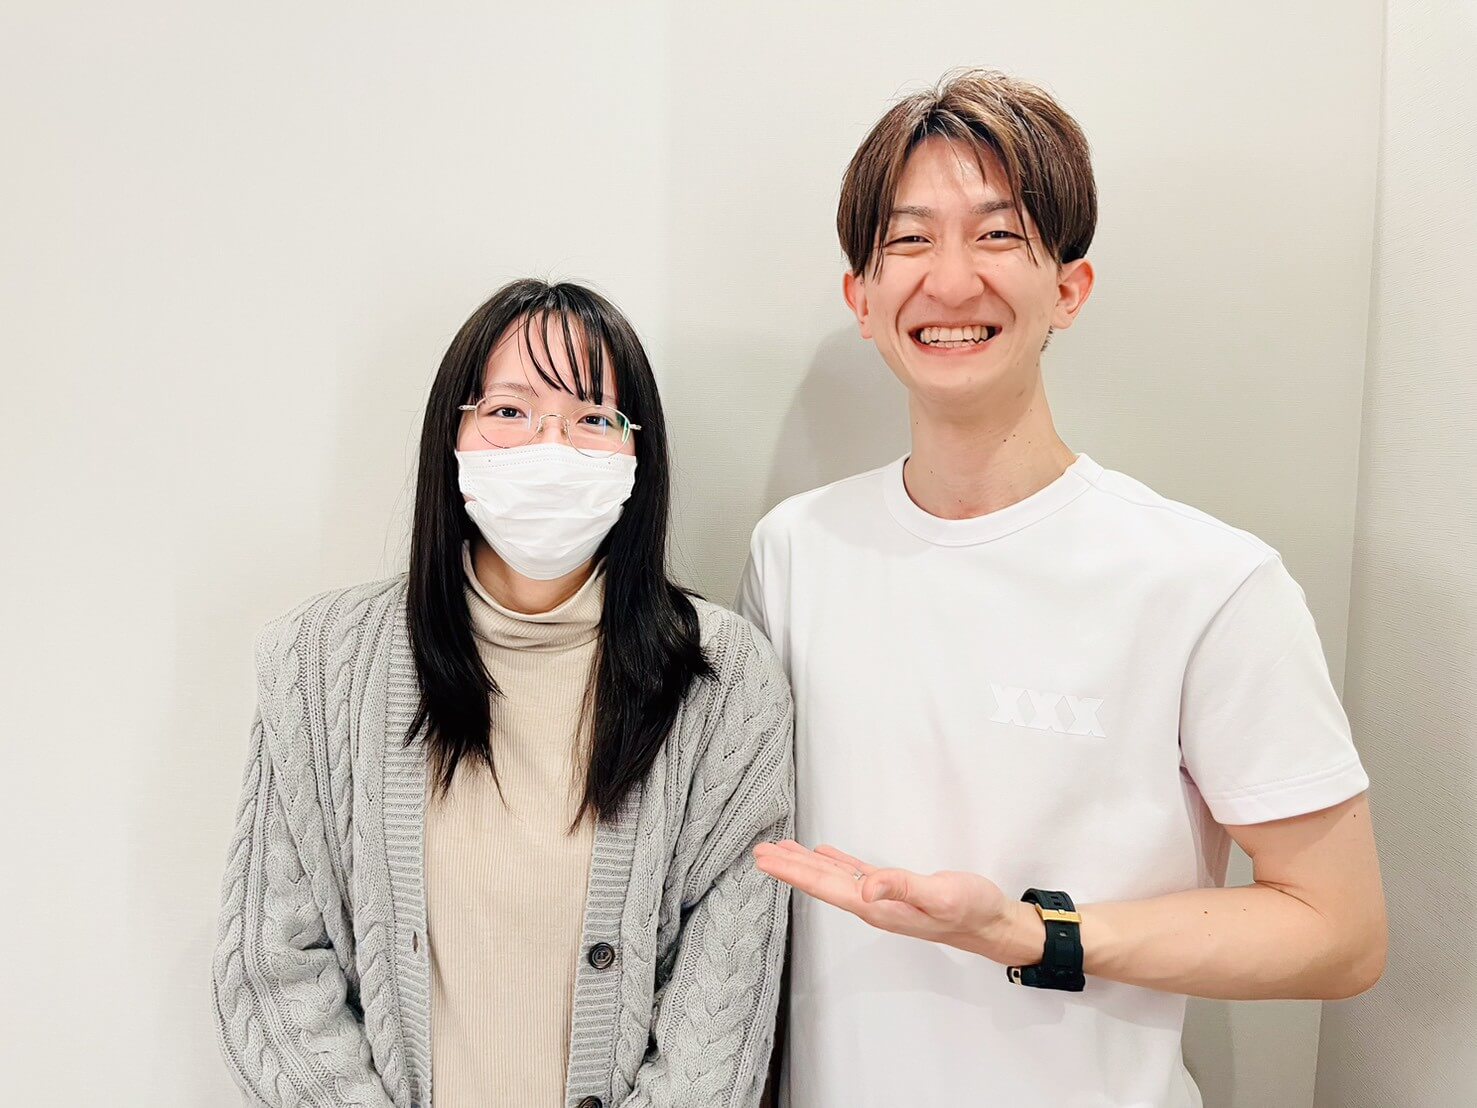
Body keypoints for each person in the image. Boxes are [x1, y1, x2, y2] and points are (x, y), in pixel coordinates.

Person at [738, 70, 1385, 1106]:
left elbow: (1338, 933)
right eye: (909, 240)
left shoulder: (1207, 581)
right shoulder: (793, 552)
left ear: (1068, 290)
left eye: (998, 235)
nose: (951, 281)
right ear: (861, 298)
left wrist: (1033, 933)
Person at [213, 278, 793, 1108]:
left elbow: (720, 1011)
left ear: (638, 453)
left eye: (592, 418)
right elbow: (273, 969)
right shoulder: (319, 663)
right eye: (510, 411)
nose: (550, 446)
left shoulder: (724, 679)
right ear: (451, 435)